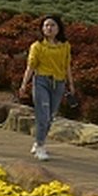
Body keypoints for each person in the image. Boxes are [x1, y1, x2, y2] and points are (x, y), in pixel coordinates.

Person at [18, 15, 73, 162]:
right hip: (41, 81)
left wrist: (71, 84)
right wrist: (24, 84)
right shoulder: (37, 46)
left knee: (51, 115)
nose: (49, 28)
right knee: (43, 114)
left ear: (59, 28)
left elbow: (67, 65)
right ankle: (41, 146)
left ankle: (38, 142)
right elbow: (31, 66)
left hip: (59, 82)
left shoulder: (65, 46)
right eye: (46, 26)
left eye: (52, 25)